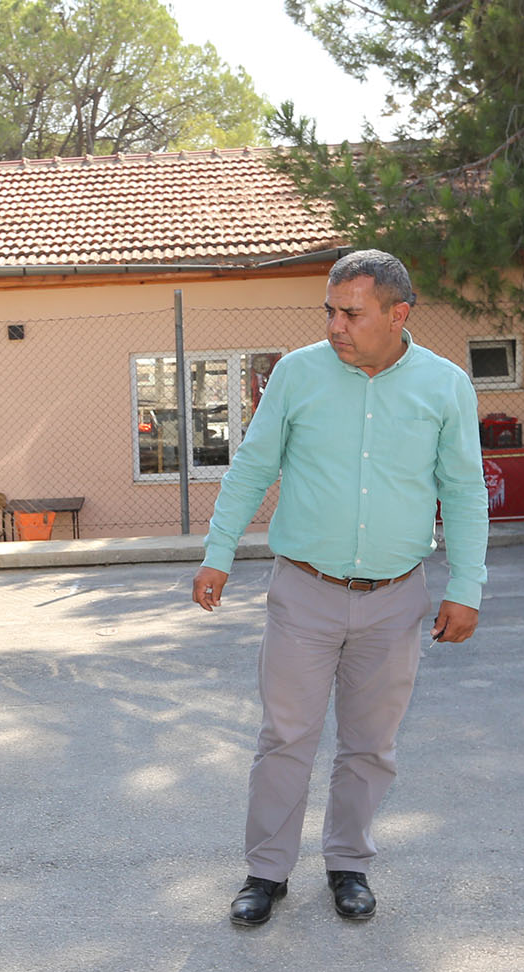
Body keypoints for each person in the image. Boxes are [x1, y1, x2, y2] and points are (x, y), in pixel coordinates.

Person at [193, 249, 486, 927]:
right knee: (285, 737)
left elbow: (465, 492)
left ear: (398, 313)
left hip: (395, 598)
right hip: (305, 591)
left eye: (351, 313)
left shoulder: (445, 386)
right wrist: (218, 552)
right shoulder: (297, 374)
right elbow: (253, 466)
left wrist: (467, 586)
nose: (335, 326)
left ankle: (348, 863)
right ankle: (267, 872)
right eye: (330, 311)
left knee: (370, 744)